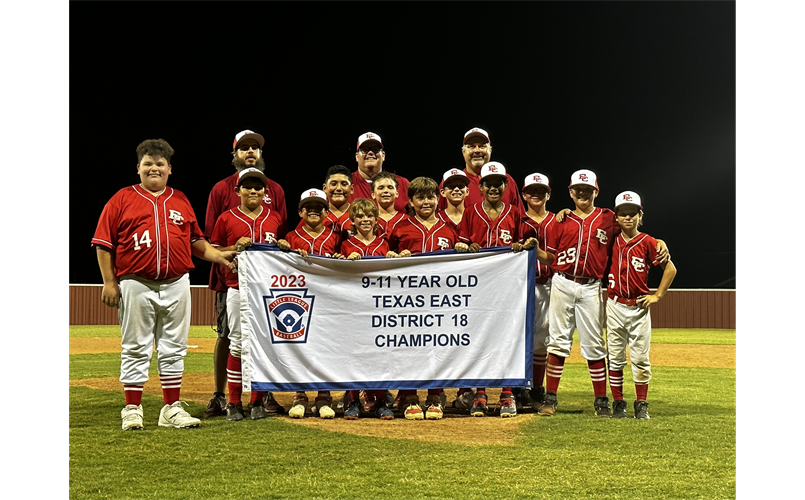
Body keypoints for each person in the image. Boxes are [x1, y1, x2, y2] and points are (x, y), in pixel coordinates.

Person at [92, 138, 238, 430]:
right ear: (138, 168)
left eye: (160, 163)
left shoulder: (181, 199)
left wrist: (220, 257)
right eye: (148, 163)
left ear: (169, 169)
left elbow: (196, 241)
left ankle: (171, 408)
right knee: (136, 347)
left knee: (174, 348)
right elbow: (104, 243)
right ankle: (132, 408)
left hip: (176, 283)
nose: (154, 168)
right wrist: (109, 282)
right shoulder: (121, 199)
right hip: (136, 282)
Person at [531, 169, 667, 418]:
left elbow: (633, 229)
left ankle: (601, 401)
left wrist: (659, 241)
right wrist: (537, 252)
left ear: (596, 191)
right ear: (570, 192)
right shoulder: (561, 220)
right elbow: (552, 257)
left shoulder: (608, 219)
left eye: (588, 189)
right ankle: (550, 398)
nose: (583, 193)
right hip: (562, 281)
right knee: (557, 342)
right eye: (578, 189)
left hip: (592, 285)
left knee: (594, 345)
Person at [202, 130, 287, 418]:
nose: (254, 191)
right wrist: (231, 250)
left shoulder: (273, 213)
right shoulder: (224, 205)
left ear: (265, 192)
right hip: (234, 285)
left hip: (266, 289)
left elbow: (281, 240)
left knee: (264, 341)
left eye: (258, 188)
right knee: (233, 339)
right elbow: (211, 246)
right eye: (247, 187)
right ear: (237, 190)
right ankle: (229, 399)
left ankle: (258, 401)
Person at [454, 162, 527, 418]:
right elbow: (460, 244)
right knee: (480, 337)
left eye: (499, 184)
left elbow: (529, 241)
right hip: (480, 287)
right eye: (489, 184)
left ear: (506, 187)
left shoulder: (515, 212)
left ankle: (507, 394)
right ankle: (481, 393)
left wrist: (524, 245)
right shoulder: (471, 211)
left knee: (507, 338)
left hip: (508, 286)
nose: (494, 188)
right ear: (481, 187)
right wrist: (465, 248)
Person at [386, 177, 462, 420]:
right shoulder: (400, 228)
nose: (426, 201)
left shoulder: (449, 229)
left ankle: (434, 395)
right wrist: (393, 256)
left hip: (440, 302)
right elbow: (385, 261)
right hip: (407, 302)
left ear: (438, 199)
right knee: (409, 348)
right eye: (420, 197)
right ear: (410, 201)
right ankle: (408, 395)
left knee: (437, 346)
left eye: (430, 197)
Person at [606, 191, 677, 419]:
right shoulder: (610, 238)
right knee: (615, 357)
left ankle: (641, 403)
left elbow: (671, 269)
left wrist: (657, 295)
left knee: (640, 358)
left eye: (633, 213)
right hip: (615, 304)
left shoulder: (648, 242)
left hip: (638, 307)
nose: (628, 218)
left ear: (640, 215)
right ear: (616, 217)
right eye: (623, 214)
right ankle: (618, 402)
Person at [277, 189, 345, 418]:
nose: (314, 211)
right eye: (309, 207)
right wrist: (282, 250)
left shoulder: (336, 238)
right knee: (300, 349)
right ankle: (300, 395)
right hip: (299, 302)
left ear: (327, 212)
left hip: (328, 302)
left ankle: (324, 396)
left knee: (325, 348)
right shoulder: (290, 237)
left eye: (319, 207)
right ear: (300, 211)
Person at [339, 199, 396, 420]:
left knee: (380, 353)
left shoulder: (383, 243)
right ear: (352, 221)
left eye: (369, 216)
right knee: (355, 352)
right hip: (354, 306)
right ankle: (354, 400)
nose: (365, 220)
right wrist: (344, 260)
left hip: (379, 306)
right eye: (360, 217)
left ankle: (381, 400)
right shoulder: (346, 244)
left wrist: (394, 257)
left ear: (376, 219)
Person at [514, 173, 558, 410]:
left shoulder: (558, 221)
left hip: (550, 285)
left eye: (541, 191)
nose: (535, 195)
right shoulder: (517, 220)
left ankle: (537, 388)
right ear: (523, 194)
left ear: (548, 194)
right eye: (531, 191)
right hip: (522, 285)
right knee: (519, 339)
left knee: (543, 341)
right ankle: (519, 387)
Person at [437, 128, 524, 213]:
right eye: (471, 146)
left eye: (482, 146)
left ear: (490, 149)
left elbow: (520, 218)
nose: (477, 150)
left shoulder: (506, 180)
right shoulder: (450, 181)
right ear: (463, 151)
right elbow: (437, 218)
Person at [349, 132, 410, 213]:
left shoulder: (402, 183)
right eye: (365, 150)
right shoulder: (345, 183)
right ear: (357, 156)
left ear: (383, 155)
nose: (370, 153)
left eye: (375, 149)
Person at [370, 171, 408, 238]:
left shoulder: (407, 220)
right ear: (373, 195)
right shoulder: (368, 220)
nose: (386, 191)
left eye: (390, 187)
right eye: (381, 188)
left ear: (397, 194)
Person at [437, 168, 470, 233]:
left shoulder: (473, 218)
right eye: (451, 186)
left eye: (461, 186)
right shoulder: (436, 219)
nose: (457, 189)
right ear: (443, 192)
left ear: (467, 191)